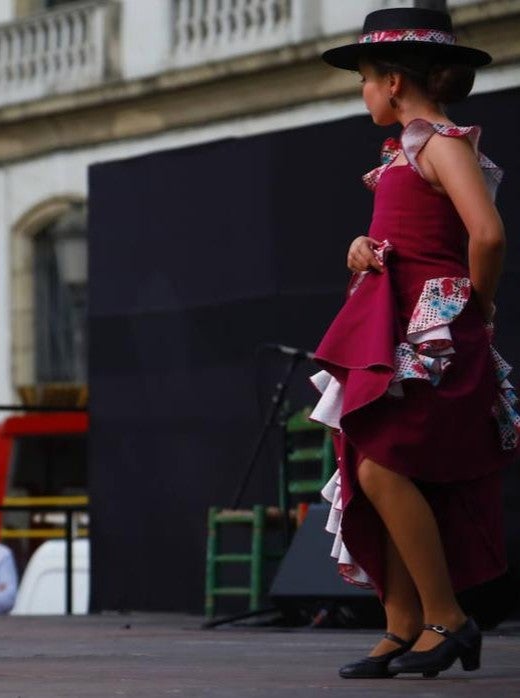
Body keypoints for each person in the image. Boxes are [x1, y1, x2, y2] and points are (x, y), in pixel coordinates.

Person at [313, 7, 512, 680]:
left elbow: (484, 234)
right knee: (369, 455)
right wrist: (362, 247)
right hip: (396, 319)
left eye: (365, 80)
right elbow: (411, 231)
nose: (362, 93)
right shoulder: (404, 152)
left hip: (434, 327)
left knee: (383, 461)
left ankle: (446, 616)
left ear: (394, 81)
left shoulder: (443, 144)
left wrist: (475, 308)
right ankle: (404, 624)